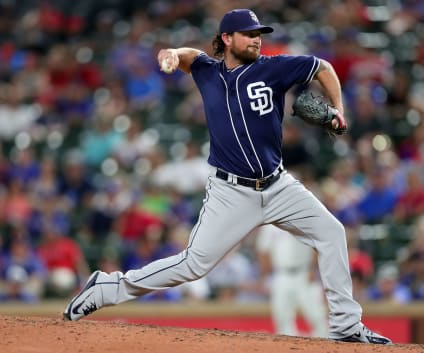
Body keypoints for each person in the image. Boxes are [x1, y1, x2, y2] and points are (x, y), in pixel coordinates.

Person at [63, 9, 391, 345]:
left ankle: (346, 325)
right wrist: (173, 54)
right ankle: (108, 287)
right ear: (227, 39)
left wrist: (338, 108)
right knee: (193, 265)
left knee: (332, 233)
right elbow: (191, 57)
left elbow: (323, 67)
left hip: (278, 186)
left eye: (258, 33)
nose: (256, 39)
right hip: (232, 192)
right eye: (248, 34)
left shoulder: (273, 68)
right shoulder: (208, 72)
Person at [256, 225, 328, 338]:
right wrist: (265, 276)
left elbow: (317, 244)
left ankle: (325, 346)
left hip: (304, 272)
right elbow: (263, 251)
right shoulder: (270, 227)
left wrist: (313, 268)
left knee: (317, 316)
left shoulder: (302, 219)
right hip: (281, 274)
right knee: (282, 317)